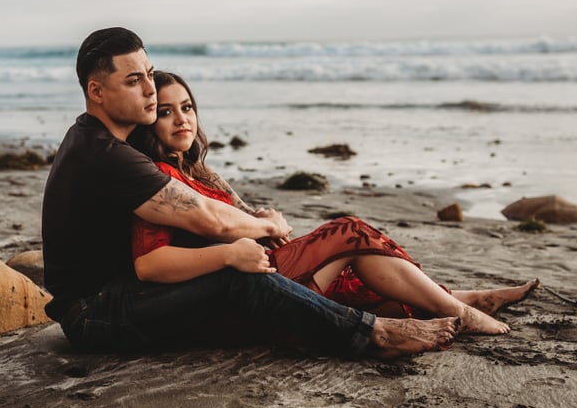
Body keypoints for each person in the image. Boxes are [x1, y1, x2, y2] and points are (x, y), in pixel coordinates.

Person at [42, 27, 459, 358]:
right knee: (237, 279)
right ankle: (376, 335)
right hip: (96, 313)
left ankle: (417, 303)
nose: (150, 89)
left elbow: (207, 210)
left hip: (118, 296)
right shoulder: (104, 154)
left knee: (239, 275)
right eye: (134, 81)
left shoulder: (98, 142)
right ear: (97, 92)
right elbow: (209, 218)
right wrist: (263, 224)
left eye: (150, 75)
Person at [130, 71, 539, 334]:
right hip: (238, 289)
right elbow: (149, 263)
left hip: (264, 272)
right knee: (349, 230)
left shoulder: (195, 171)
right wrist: (250, 237)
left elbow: (240, 215)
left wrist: (260, 218)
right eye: (165, 112)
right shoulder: (157, 179)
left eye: (187, 108)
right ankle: (462, 311)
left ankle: (465, 299)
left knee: (355, 280)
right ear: (149, 119)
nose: (182, 119)